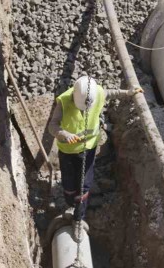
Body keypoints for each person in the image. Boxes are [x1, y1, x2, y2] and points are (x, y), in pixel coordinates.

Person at [48, 75, 141, 222]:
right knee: (69, 182)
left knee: (84, 184)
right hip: (68, 151)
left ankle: (79, 218)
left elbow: (110, 93)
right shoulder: (64, 101)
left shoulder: (96, 93)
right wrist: (64, 134)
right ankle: (70, 204)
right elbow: (52, 126)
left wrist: (127, 93)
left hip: (88, 148)